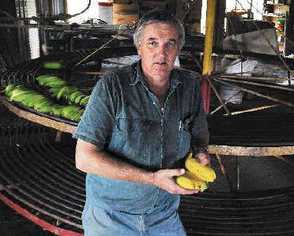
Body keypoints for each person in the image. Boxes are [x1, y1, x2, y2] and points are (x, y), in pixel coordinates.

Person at [73, 9, 210, 236]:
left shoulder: (189, 86)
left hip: (164, 213)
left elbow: (199, 135)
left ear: (179, 49)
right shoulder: (112, 87)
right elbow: (84, 158)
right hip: (112, 215)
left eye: (170, 44)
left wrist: (200, 153)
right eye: (152, 43)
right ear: (139, 48)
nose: (161, 53)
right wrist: (152, 178)